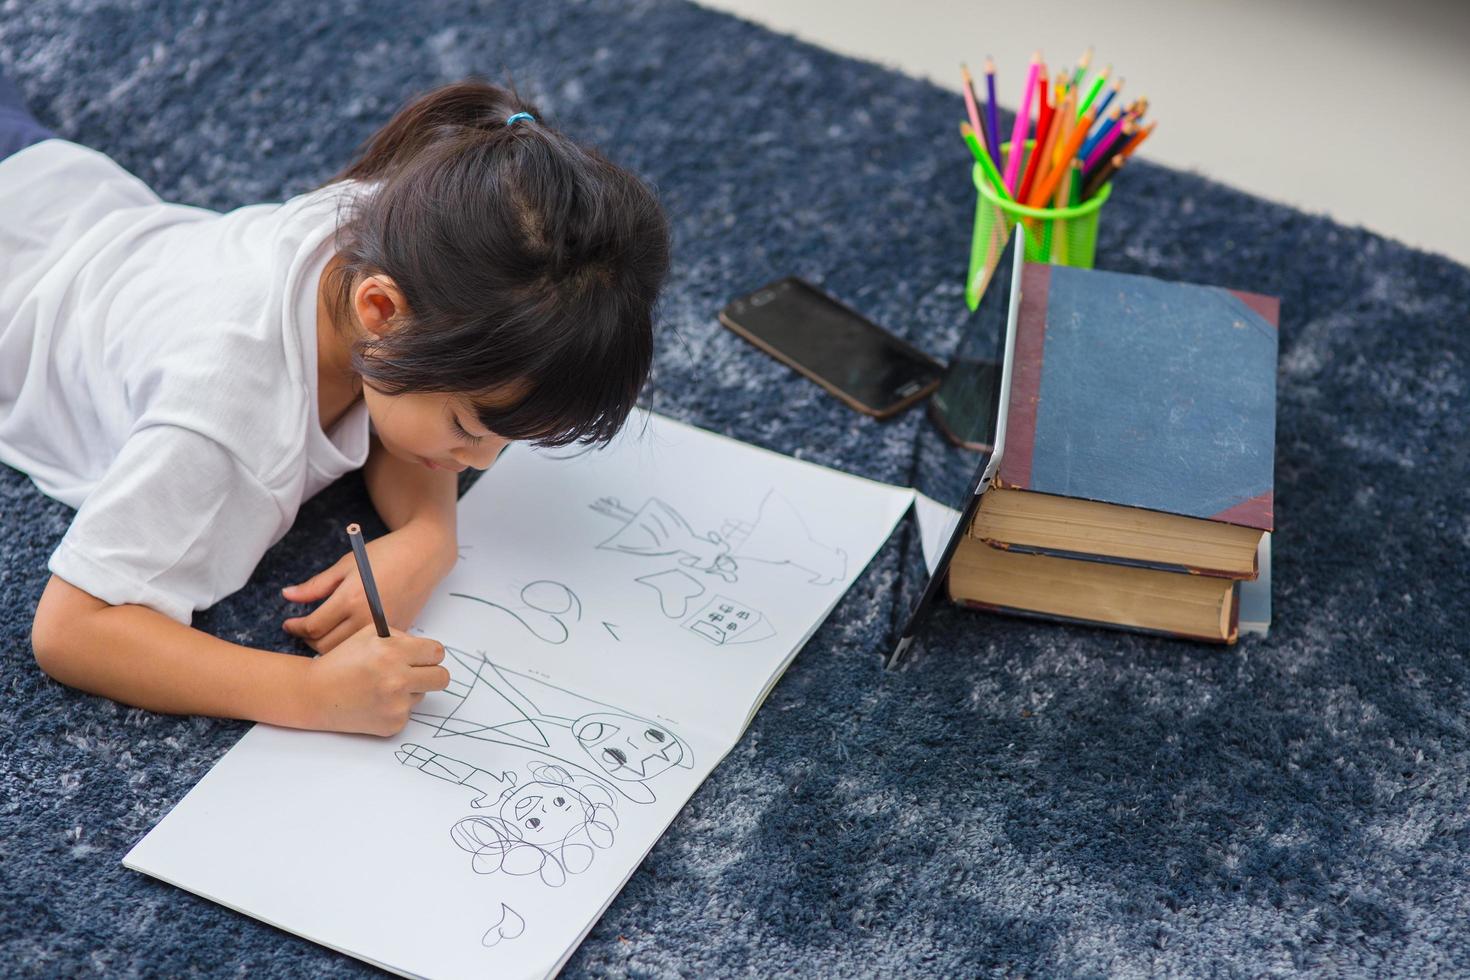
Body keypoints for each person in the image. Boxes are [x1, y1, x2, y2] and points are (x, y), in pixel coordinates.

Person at [0, 72, 671, 736]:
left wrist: (428, 532)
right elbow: (72, 631)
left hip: (50, 189)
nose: (482, 460)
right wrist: (311, 692)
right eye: (468, 427)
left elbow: (409, 388)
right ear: (380, 309)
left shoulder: (403, 219)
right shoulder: (226, 424)